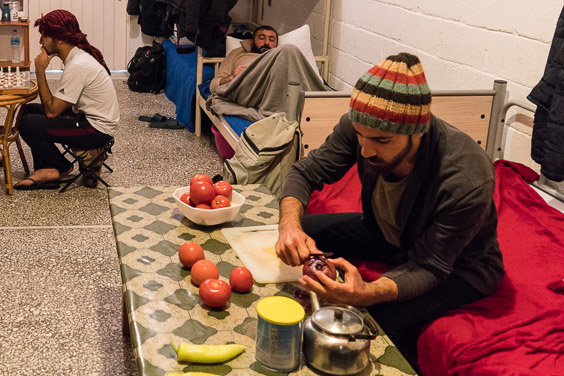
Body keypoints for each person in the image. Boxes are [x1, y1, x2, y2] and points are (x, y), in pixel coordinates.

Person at [274, 53, 503, 367]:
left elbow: (430, 266)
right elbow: (304, 173)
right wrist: (290, 225)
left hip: (459, 267)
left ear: (417, 133)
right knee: (300, 231)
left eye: (382, 140)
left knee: (374, 321)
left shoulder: (466, 176)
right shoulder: (361, 128)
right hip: (386, 233)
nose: (366, 150)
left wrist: (367, 292)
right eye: (360, 137)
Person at [13, 10, 119, 190]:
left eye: (45, 36)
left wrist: (40, 70)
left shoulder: (77, 65)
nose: (41, 41)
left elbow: (52, 111)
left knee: (28, 123)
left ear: (59, 39)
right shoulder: (77, 56)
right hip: (85, 115)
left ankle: (59, 167)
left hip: (96, 129)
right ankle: (47, 167)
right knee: (29, 110)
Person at [210, 25, 278, 91]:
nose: (266, 42)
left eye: (271, 40)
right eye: (262, 38)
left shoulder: (279, 58)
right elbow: (213, 86)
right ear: (252, 41)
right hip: (242, 92)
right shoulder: (237, 53)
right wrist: (233, 77)